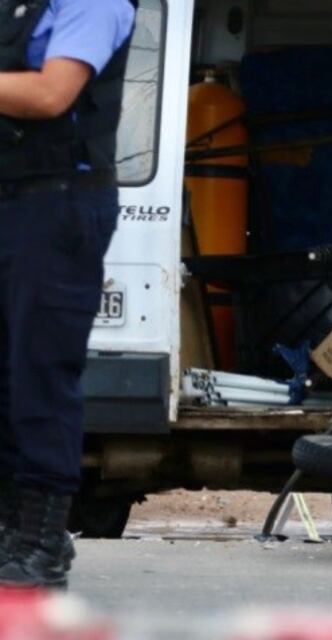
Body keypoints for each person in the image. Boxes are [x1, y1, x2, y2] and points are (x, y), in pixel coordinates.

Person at [0, 0, 136, 589]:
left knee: (39, 370)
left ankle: (43, 543)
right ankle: (10, 531)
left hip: (57, 203)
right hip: (12, 197)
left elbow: (53, 93)